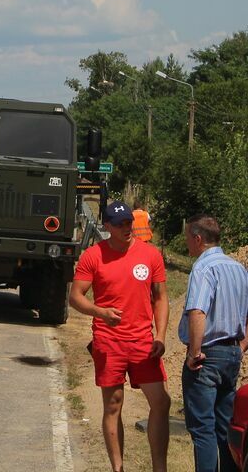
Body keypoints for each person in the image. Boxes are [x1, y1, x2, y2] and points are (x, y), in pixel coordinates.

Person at [70, 201, 171, 472]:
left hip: (143, 342)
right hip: (108, 340)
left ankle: (159, 467)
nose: (127, 228)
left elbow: (161, 298)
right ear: (108, 227)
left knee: (161, 402)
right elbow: (75, 297)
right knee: (113, 404)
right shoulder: (94, 255)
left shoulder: (150, 255)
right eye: (120, 224)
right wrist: (100, 312)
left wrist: (160, 336)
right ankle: (118, 467)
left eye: (129, 222)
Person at [180, 214, 248, 472]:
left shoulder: (203, 268)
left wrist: (194, 352)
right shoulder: (237, 268)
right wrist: (240, 347)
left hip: (206, 357)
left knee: (202, 429)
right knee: (225, 426)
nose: (187, 244)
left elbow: (197, 311)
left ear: (198, 239)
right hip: (230, 356)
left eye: (187, 238)